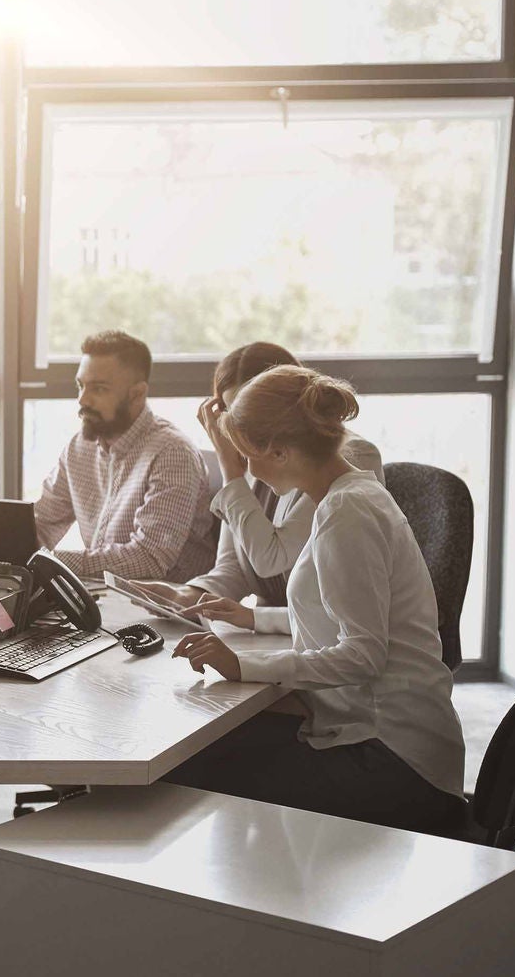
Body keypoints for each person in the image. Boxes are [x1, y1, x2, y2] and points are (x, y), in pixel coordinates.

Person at [168, 366, 466, 834]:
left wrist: (243, 665)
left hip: (394, 758)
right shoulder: (349, 494)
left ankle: (265, 881)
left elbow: (363, 655)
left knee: (190, 769)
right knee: (216, 744)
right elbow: (345, 612)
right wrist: (254, 619)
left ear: (280, 451)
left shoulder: (347, 513)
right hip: (384, 737)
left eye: (248, 457)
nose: (250, 472)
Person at [129, 341, 382, 614]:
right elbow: (236, 568)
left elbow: (273, 558)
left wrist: (230, 470)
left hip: (314, 625)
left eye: (248, 412)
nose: (240, 430)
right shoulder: (253, 461)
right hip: (270, 626)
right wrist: (188, 595)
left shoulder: (346, 456)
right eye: (231, 413)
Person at [32, 330, 216, 582]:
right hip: (107, 595)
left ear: (137, 394)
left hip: (162, 601)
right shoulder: (79, 447)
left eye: (99, 389)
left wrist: (52, 562)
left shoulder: (172, 453)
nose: (83, 399)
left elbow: (148, 558)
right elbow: (43, 522)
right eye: (81, 386)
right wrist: (2, 548)